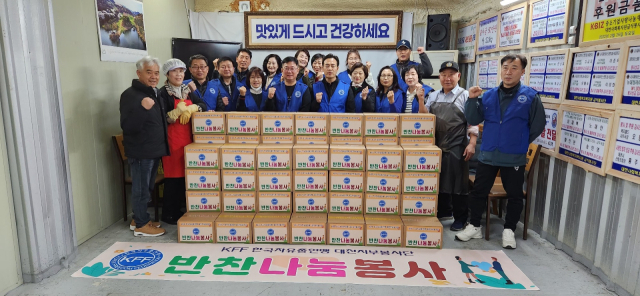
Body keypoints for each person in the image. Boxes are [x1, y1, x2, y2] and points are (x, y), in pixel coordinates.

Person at [456, 54, 545, 249]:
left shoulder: (530, 97)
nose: (508, 72)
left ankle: (509, 230)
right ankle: (475, 226)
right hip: (488, 154)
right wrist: (472, 100)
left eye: (514, 68)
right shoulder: (488, 95)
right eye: (505, 67)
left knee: (514, 195)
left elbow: (538, 125)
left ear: (522, 72)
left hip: (513, 156)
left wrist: (518, 141)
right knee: (478, 191)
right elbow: (473, 117)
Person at [425, 61, 479, 231]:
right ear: (439, 77)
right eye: (444, 75)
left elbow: (473, 122)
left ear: (458, 76)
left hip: (457, 145)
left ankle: (461, 218)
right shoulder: (433, 96)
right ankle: (443, 211)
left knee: (458, 182)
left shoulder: (465, 96)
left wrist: (472, 143)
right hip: (436, 144)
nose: (447, 78)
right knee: (437, 178)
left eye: (451, 75)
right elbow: (424, 118)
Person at [119, 56, 167, 237]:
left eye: (156, 73)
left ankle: (139, 218)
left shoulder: (152, 92)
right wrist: (142, 109)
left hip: (152, 149)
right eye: (149, 72)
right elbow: (128, 125)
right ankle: (141, 224)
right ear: (139, 73)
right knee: (140, 188)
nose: (154, 76)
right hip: (141, 151)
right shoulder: (131, 95)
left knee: (146, 187)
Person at [158, 59, 207, 224]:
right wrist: (174, 113)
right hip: (172, 141)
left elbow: (203, 104)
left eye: (181, 71)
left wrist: (194, 108)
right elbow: (160, 119)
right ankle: (169, 214)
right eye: (174, 71)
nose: (178, 74)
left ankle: (179, 209)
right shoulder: (162, 93)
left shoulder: (187, 90)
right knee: (173, 178)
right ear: (167, 74)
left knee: (185, 176)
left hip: (188, 139)